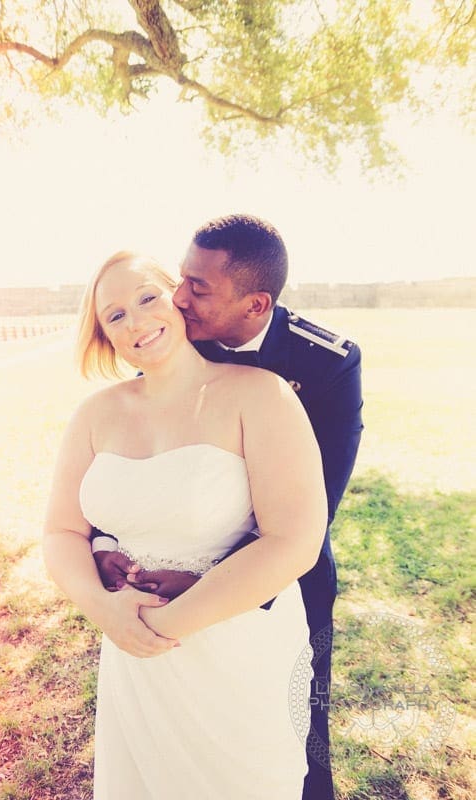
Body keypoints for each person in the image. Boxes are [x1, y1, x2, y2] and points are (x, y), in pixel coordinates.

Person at [91, 215, 364, 800]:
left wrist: (210, 578)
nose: (177, 297)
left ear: (256, 303)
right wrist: (105, 543)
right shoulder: (175, 335)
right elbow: (142, 459)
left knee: (297, 730)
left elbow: (315, 506)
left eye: (199, 288)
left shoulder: (326, 364)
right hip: (162, 587)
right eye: (181, 278)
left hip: (284, 578)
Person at [43, 250, 328, 799]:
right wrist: (105, 611)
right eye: (115, 315)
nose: (137, 322)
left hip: (237, 646)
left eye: (147, 297)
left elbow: (294, 541)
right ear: (104, 334)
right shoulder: (94, 415)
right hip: (133, 656)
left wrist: (165, 626)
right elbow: (60, 533)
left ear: (177, 296)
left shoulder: (258, 395)